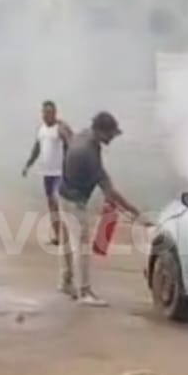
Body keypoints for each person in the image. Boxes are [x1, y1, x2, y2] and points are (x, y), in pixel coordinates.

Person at [58, 111, 145, 306]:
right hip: (74, 202)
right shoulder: (88, 153)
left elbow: (68, 136)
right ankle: (84, 292)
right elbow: (109, 192)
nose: (113, 138)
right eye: (111, 134)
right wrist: (135, 212)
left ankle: (66, 281)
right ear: (100, 131)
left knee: (69, 244)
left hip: (62, 194)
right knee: (82, 246)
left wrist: (63, 129)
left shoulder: (84, 136)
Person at [21, 100, 75, 246]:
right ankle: (58, 236)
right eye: (44, 113)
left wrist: (72, 165)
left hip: (60, 173)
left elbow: (72, 144)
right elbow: (36, 149)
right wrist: (28, 165)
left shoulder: (60, 128)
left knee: (59, 203)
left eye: (50, 113)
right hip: (47, 173)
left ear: (55, 113)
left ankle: (68, 234)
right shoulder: (42, 129)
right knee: (52, 206)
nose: (46, 116)